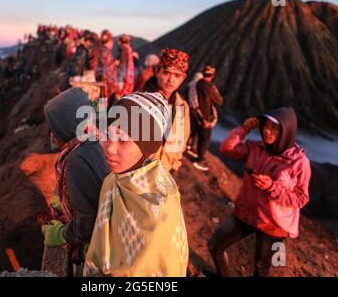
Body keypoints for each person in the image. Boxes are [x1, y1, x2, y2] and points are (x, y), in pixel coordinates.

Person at [84, 92, 189, 277]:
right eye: (109, 135)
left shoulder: (160, 210)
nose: (110, 148)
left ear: (146, 147)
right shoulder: (114, 180)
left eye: (123, 140)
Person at [208, 107, 311, 277]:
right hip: (246, 214)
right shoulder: (256, 148)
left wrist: (272, 187)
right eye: (265, 125)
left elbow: (301, 198)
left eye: (274, 128)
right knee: (215, 245)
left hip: (273, 224)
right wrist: (244, 129)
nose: (267, 131)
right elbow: (226, 149)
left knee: (261, 268)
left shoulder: (299, 163)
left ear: (286, 131)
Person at [42, 88, 110, 263]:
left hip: (100, 249)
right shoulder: (95, 139)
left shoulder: (76, 160)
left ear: (66, 126)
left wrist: (61, 234)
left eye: (54, 129)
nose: (51, 135)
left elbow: (90, 223)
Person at [143, 48, 190, 172]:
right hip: (138, 170)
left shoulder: (181, 106)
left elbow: (181, 140)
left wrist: (173, 165)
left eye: (177, 75)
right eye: (166, 73)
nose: (171, 80)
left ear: (183, 78)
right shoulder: (140, 100)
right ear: (157, 71)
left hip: (164, 170)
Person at [187, 65, 223, 171]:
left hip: (195, 114)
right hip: (206, 117)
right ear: (213, 75)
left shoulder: (195, 84)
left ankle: (190, 147)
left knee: (196, 133)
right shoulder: (210, 87)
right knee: (204, 140)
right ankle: (199, 160)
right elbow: (219, 101)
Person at [92, 30, 117, 98]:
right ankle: (102, 109)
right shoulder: (105, 52)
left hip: (100, 79)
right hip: (104, 82)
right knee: (103, 102)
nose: (112, 44)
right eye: (112, 42)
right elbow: (107, 69)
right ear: (108, 42)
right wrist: (115, 64)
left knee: (101, 100)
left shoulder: (100, 49)